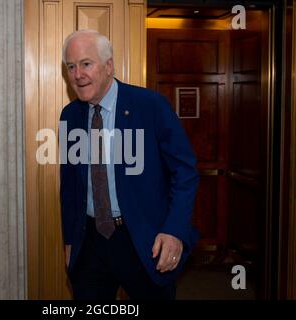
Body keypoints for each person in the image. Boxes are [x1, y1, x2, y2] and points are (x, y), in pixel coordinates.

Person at [59, 29, 199, 300]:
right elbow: (70, 187)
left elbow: (185, 172)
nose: (78, 74)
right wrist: (69, 241)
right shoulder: (71, 115)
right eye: (71, 66)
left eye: (86, 64)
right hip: (89, 242)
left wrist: (174, 230)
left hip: (144, 241)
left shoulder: (151, 105)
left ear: (109, 65)